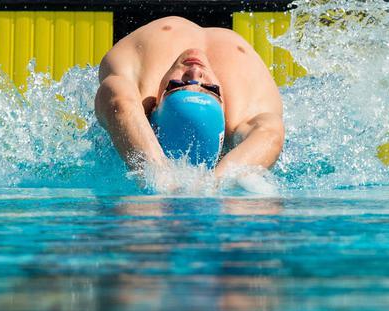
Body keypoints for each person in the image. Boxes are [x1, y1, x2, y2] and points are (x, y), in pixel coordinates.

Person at [95, 16, 284, 191]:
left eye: (176, 85)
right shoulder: (249, 106)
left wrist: (159, 175)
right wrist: (215, 184)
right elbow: (271, 134)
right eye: (211, 89)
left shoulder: (140, 91)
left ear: (155, 105)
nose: (195, 72)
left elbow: (119, 103)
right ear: (223, 111)